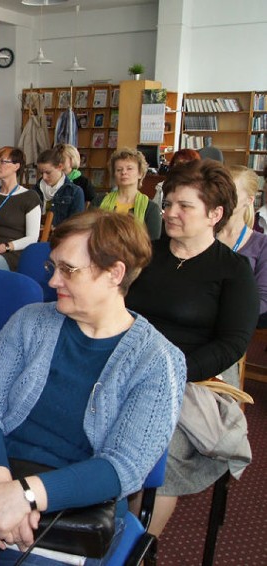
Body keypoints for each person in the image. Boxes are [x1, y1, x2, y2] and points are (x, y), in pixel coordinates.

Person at [0, 210, 186, 565]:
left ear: (115, 273)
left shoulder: (157, 360)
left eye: (69, 270)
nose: (52, 282)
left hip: (77, 505)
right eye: (53, 268)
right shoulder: (30, 321)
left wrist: (24, 497)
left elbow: (123, 467)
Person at [126, 160, 258, 537]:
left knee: (158, 439)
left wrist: (172, 371)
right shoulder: (146, 254)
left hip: (196, 376)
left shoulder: (233, 270)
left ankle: (136, 547)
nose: (170, 213)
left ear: (215, 214)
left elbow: (232, 343)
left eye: (185, 206)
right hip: (132, 363)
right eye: (169, 204)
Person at [219, 165, 267, 326]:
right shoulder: (201, 234)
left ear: (249, 200)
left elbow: (262, 299)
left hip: (232, 324)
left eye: (231, 192)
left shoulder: (262, 245)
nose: (223, 197)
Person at [0, 146, 42, 271]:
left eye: (2, 162)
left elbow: (32, 238)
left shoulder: (29, 197)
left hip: (11, 251)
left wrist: (4, 247)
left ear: (16, 166)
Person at [93, 148, 162, 240]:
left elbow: (153, 244)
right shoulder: (98, 201)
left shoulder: (151, 208)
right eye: (119, 170)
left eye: (129, 168)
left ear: (140, 174)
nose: (124, 172)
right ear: (114, 175)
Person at [32, 148, 84, 228]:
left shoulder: (75, 192)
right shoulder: (34, 190)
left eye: (48, 172)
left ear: (60, 167)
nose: (44, 177)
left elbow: (76, 225)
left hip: (61, 238)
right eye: (41, 173)